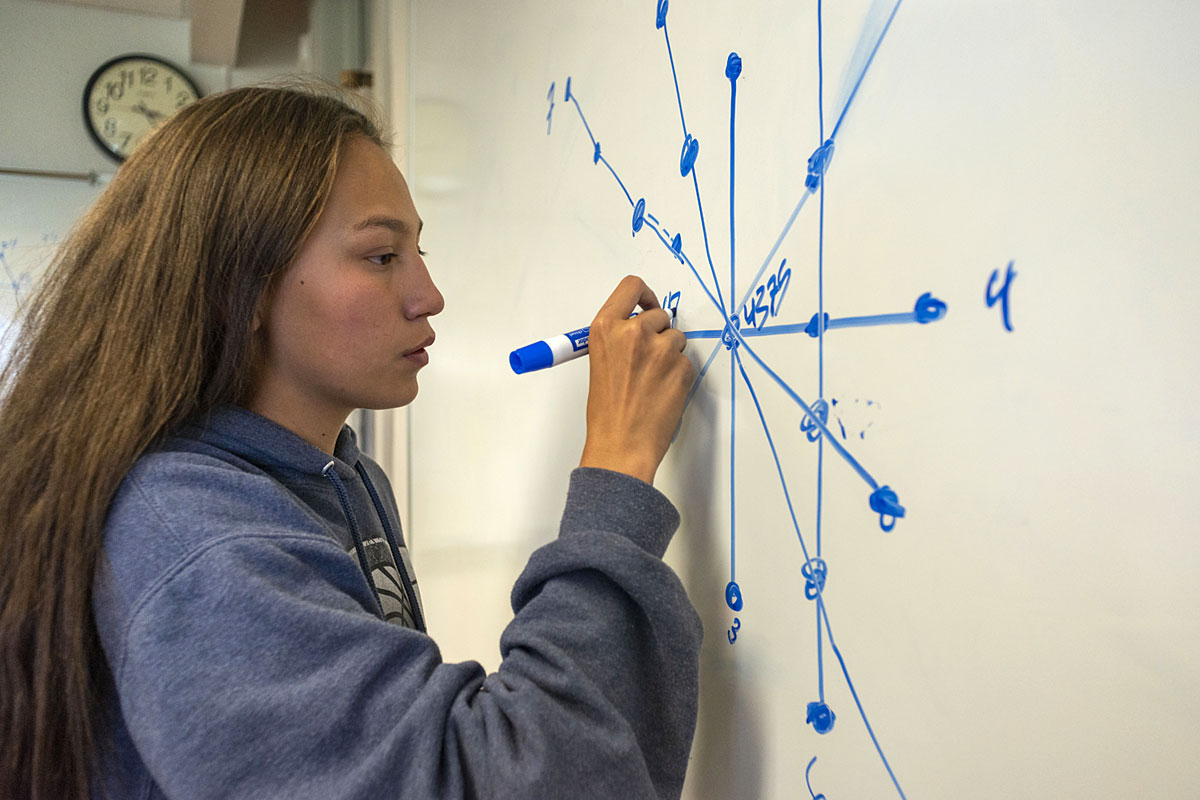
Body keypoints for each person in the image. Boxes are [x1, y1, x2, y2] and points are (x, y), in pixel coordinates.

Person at [0, 84, 701, 800]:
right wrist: (617, 462)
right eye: (380, 256)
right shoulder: (199, 547)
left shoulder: (335, 468)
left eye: (416, 250)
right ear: (235, 288)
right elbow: (506, 781)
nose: (428, 294)